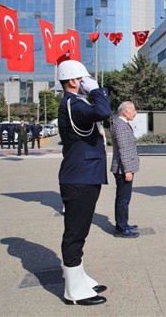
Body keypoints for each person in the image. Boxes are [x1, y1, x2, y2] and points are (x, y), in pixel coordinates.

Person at [57, 60, 110, 306]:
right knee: (75, 233)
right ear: (73, 81)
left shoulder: (75, 103)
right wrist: (97, 90)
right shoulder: (73, 103)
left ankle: (79, 277)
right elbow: (102, 112)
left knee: (81, 230)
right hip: (79, 178)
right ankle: (73, 291)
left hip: (84, 175)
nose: (85, 83)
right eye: (82, 79)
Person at [110, 101, 140, 239]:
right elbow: (123, 149)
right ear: (125, 112)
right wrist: (127, 170)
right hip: (123, 169)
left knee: (124, 198)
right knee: (123, 199)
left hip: (125, 168)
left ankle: (124, 223)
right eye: (133, 110)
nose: (135, 112)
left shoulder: (122, 124)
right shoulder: (120, 126)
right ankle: (121, 228)